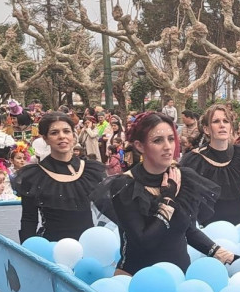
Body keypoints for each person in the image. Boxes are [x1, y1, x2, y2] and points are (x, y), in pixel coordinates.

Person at [93, 112, 231, 274]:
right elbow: (144, 242)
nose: (167, 146)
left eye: (171, 139)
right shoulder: (125, 184)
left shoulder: (182, 177)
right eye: (158, 140)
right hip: (137, 280)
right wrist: (167, 201)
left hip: (180, 278)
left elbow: (187, 228)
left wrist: (222, 254)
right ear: (139, 146)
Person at [13, 112, 107, 243]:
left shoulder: (91, 170)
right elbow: (29, 219)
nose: (62, 136)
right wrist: (27, 252)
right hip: (52, 250)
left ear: (73, 135)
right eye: (54, 133)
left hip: (89, 248)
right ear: (45, 138)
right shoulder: (34, 176)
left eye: (66, 131)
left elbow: (109, 211)